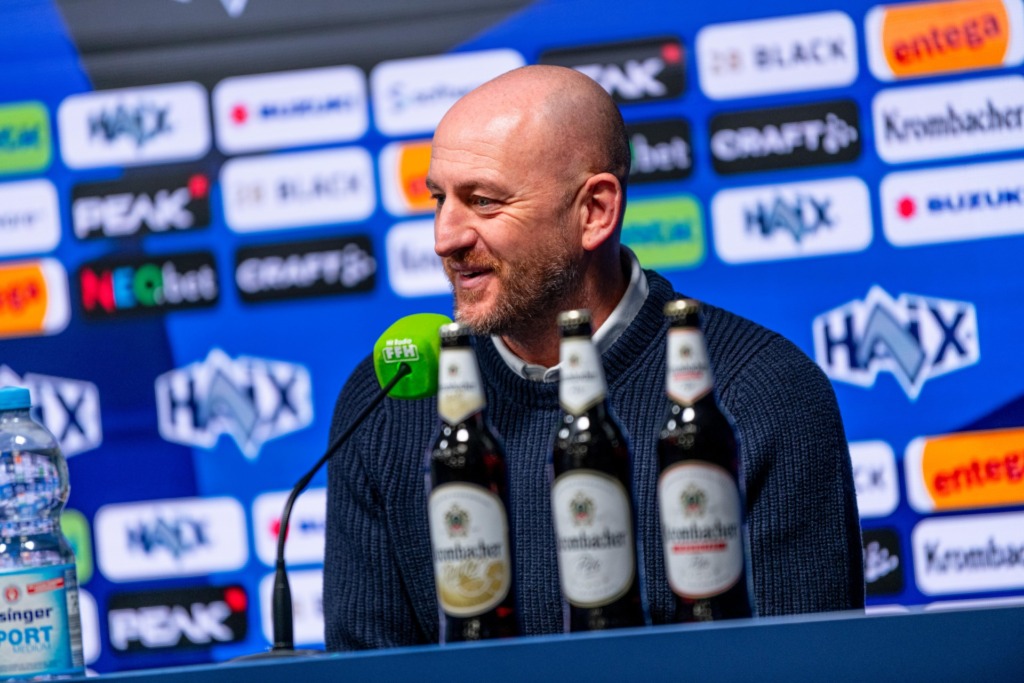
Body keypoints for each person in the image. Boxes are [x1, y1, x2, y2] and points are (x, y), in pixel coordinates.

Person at [323, 64, 864, 650]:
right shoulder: (390, 401)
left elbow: (804, 665)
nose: (445, 237)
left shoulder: (760, 392)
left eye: (483, 201)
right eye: (439, 199)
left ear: (595, 212)